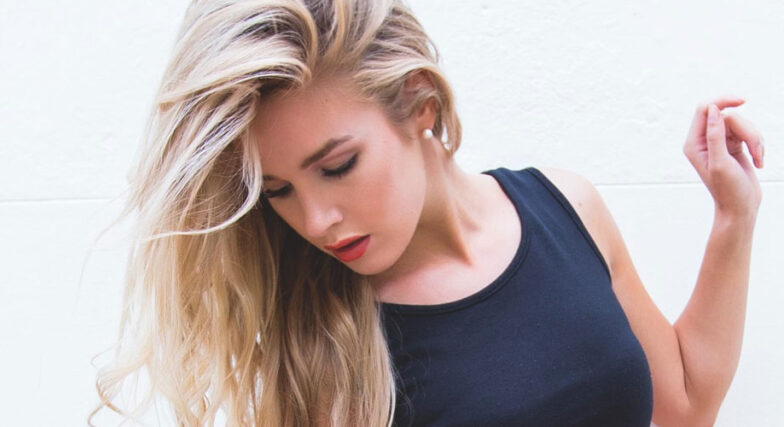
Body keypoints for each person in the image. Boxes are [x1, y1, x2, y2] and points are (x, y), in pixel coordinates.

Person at [92, 0, 766, 426]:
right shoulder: (328, 347)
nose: (317, 220)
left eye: (337, 166)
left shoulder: (569, 207)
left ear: (420, 102)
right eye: (278, 191)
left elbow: (685, 404)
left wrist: (734, 217)